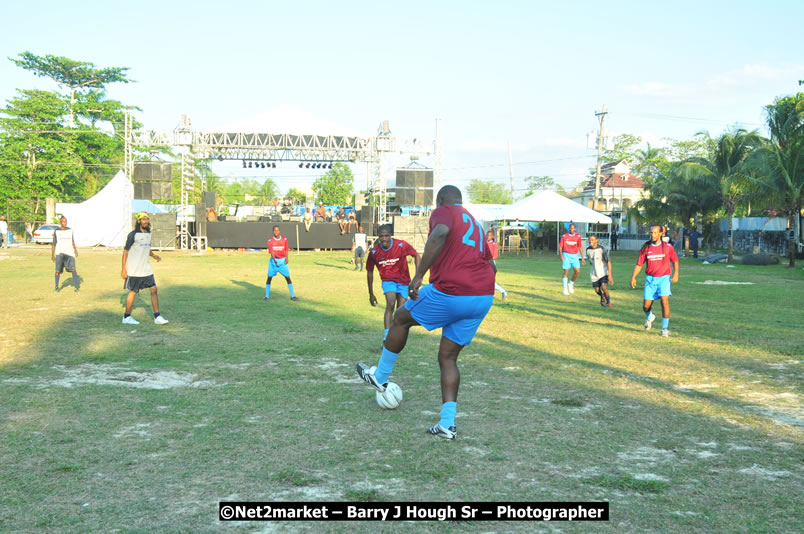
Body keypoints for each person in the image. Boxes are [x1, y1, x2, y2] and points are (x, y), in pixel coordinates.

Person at [356, 185, 496, 441]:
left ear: (441, 201)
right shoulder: (474, 223)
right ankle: (447, 424)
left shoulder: (445, 212)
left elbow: (440, 233)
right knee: (448, 358)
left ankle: (380, 376)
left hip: (453, 292)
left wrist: (418, 275)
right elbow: (491, 263)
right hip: (483, 296)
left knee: (400, 318)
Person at [366, 224, 420, 342]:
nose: (384, 239)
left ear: (391, 235)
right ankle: (386, 337)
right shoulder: (374, 252)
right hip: (388, 280)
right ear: (378, 237)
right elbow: (369, 272)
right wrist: (371, 293)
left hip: (404, 281)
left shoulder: (401, 245)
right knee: (390, 303)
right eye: (381, 236)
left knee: (400, 311)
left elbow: (416, 255)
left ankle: (395, 337)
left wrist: (417, 277)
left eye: (386, 236)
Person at [630, 224, 679, 337]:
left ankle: (664, 329)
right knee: (646, 306)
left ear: (661, 234)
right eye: (651, 232)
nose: (653, 234)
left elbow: (675, 260)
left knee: (664, 302)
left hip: (664, 278)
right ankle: (650, 317)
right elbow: (639, 264)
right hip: (650, 280)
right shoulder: (646, 248)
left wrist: (676, 273)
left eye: (655, 232)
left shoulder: (667, 247)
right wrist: (633, 277)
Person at [121, 212, 168, 325]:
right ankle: (126, 317)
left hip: (146, 268)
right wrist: (123, 269)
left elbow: (146, 248)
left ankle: (157, 317)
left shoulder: (149, 233)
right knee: (133, 292)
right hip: (135, 270)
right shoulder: (133, 235)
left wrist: (153, 255)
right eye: (143, 219)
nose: (146, 221)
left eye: (147, 219)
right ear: (138, 221)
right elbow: (126, 251)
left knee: (154, 289)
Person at [265, 225, 298, 301]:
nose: (276, 232)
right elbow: (272, 252)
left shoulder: (284, 239)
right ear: (273, 231)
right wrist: (274, 260)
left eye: (277, 230)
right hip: (273, 262)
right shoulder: (270, 241)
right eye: (274, 230)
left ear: (280, 231)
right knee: (269, 278)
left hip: (283, 261)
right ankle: (267, 296)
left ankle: (292, 296)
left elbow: (286, 249)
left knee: (287, 278)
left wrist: (287, 258)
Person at [51, 216, 80, 292]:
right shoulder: (57, 231)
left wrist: (75, 250)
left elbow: (72, 241)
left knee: (73, 270)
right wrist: (52, 255)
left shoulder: (70, 230)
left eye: (66, 221)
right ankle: (56, 287)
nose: (65, 223)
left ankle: (77, 286)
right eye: (63, 221)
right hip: (59, 253)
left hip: (69, 253)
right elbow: (54, 244)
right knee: (57, 271)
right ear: (60, 222)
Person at [586, 234, 612, 308]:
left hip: (603, 272)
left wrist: (609, 275)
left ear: (596, 240)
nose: (590, 241)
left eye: (592, 240)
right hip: (594, 274)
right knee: (597, 290)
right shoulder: (588, 250)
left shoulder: (602, 249)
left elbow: (608, 261)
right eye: (590, 240)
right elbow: (590, 260)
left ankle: (608, 302)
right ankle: (602, 296)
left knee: (604, 287)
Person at [559, 223, 585, 295]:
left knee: (577, 271)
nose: (572, 229)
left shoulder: (578, 236)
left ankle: (570, 284)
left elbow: (580, 247)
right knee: (566, 272)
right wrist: (561, 255)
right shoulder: (564, 236)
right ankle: (565, 289)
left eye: (573, 228)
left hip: (574, 256)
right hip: (566, 255)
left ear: (575, 229)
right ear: (569, 229)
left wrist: (582, 258)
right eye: (571, 228)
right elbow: (560, 246)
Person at [486, 230, 508, 300]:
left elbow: (495, 255)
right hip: (486, 263)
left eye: (489, 235)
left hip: (491, 263)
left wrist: (490, 260)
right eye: (487, 235)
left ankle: (503, 291)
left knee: (490, 281)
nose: (487, 237)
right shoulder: (485, 244)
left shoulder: (494, 245)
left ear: (492, 237)